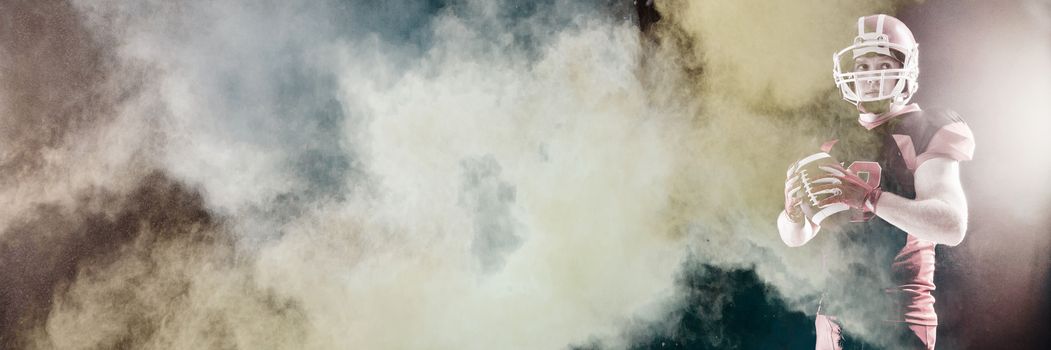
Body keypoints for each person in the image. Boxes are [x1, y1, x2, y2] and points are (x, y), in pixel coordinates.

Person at [776, 14, 976, 349]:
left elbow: (952, 225)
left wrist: (871, 198)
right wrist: (793, 213)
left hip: (900, 314)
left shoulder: (926, 127)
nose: (870, 77)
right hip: (835, 313)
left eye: (882, 65)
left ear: (905, 69)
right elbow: (797, 236)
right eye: (863, 66)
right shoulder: (831, 137)